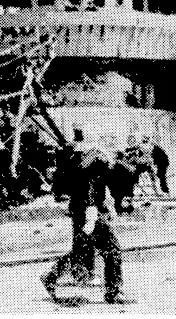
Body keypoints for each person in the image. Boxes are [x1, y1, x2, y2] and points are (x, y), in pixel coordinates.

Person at [41, 125, 127, 304]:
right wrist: (92, 211)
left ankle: (51, 276)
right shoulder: (97, 158)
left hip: (80, 208)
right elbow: (90, 184)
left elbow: (91, 184)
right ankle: (113, 291)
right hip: (90, 210)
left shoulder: (78, 155)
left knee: (82, 247)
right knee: (112, 249)